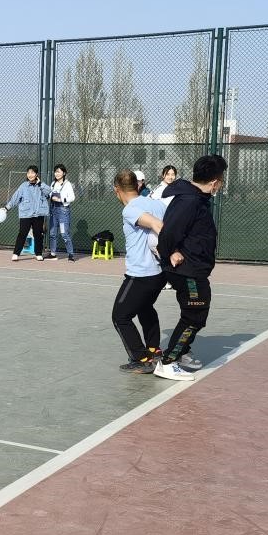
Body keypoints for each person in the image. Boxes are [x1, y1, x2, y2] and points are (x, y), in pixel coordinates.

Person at [154, 154, 228, 381]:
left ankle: (182, 351)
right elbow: (168, 233)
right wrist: (170, 252)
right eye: (221, 180)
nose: (221, 184)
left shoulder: (196, 198)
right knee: (194, 316)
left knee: (196, 313)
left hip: (194, 268)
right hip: (187, 270)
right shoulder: (189, 201)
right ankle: (168, 361)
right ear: (215, 182)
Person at [111, 169, 168, 374]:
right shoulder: (157, 204)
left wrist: (171, 249)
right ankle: (154, 349)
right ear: (138, 185)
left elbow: (157, 225)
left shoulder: (130, 209)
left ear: (117, 190)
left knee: (120, 316)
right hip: (160, 273)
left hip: (141, 274)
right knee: (145, 307)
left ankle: (141, 358)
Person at [6, 166, 49, 262]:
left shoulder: (41, 186)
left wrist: (40, 184)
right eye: (28, 173)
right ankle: (16, 253)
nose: (30, 175)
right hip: (25, 214)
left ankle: (38, 254)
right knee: (22, 233)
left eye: (32, 173)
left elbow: (49, 192)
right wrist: (7, 208)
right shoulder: (23, 186)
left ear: (36, 174)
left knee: (38, 234)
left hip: (38, 214)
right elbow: (15, 198)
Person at [46, 163, 76, 261]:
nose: (57, 174)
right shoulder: (53, 183)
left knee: (64, 234)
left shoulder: (67, 184)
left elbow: (72, 197)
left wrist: (61, 199)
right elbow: (50, 194)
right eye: (55, 172)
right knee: (52, 233)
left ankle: (70, 254)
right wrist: (49, 195)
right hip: (53, 210)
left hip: (63, 211)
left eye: (59, 172)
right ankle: (53, 254)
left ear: (64, 173)